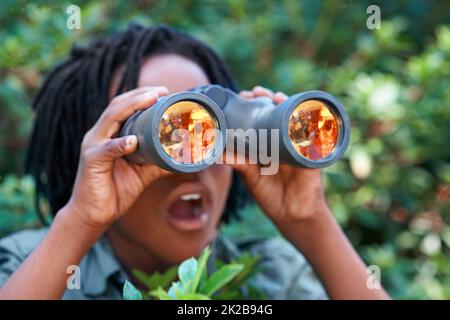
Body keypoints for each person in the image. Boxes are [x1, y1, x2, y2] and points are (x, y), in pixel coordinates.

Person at [0, 24, 389, 300]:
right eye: (168, 133)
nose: (199, 162)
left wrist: (311, 223)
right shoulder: (32, 266)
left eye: (215, 132)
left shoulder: (273, 275)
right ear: (103, 154)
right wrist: (79, 221)